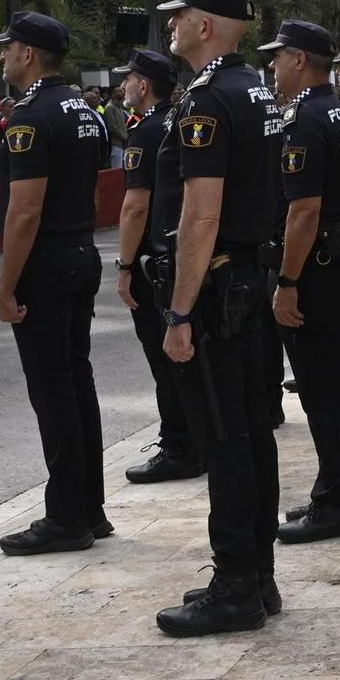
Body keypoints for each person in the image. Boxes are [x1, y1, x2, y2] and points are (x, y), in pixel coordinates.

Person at [147, 0, 281, 637]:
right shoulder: (257, 88)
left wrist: (178, 313)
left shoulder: (208, 98)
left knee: (225, 437)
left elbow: (200, 214)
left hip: (219, 285)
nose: (171, 24)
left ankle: (235, 584)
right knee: (253, 432)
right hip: (251, 276)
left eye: (181, 15)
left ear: (205, 26)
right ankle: (258, 572)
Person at [0, 11, 111, 556]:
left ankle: (66, 517)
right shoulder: (83, 110)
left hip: (47, 264)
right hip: (80, 252)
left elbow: (24, 211)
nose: (2, 56)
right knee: (76, 383)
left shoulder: (31, 116)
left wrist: (5, 285)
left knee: (53, 391)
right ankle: (89, 506)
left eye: (9, 47)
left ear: (29, 54)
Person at [262, 19, 340, 542]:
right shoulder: (334, 108)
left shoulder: (306, 116)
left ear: (300, 59)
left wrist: (286, 280)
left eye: (279, 57)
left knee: (322, 383)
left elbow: (302, 210)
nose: (274, 67)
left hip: (318, 256)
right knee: (334, 378)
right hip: (338, 245)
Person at [112, 48, 202, 485]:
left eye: (128, 79)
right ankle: (194, 439)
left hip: (158, 263)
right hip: (187, 253)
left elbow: (134, 206)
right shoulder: (182, 120)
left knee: (164, 357)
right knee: (187, 358)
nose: (123, 86)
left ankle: (180, 446)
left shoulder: (146, 132)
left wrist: (125, 265)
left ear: (143, 85)